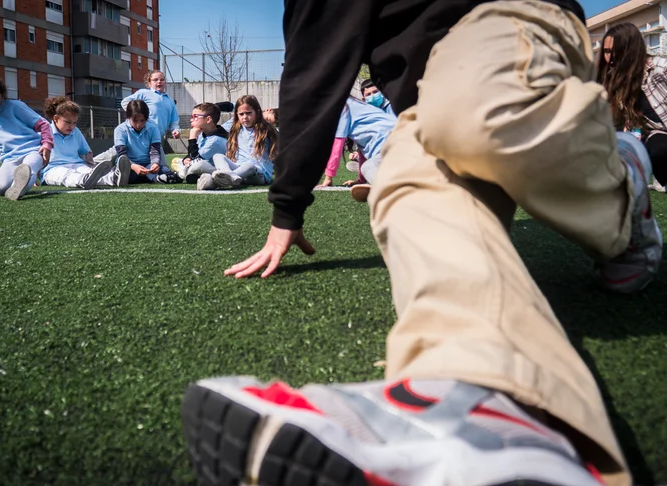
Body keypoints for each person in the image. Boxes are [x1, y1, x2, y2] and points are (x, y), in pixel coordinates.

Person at [182, 1, 663, 485]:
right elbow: (317, 58)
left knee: (470, 101)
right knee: (401, 179)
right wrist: (287, 208)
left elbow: (315, 73)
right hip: (427, 104)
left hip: (518, 17)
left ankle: (620, 184)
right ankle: (488, 404)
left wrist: (288, 202)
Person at [597, 22, 667, 194]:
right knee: (658, 148)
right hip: (656, 134)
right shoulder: (616, 82)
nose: (610, 57)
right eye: (607, 51)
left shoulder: (660, 68)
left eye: (616, 50)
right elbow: (628, 124)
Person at [0, 73, 52, 200]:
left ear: (2, 96)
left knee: (29, 167)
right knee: (1, 188)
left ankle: (24, 182)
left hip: (33, 151)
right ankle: (20, 183)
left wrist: (47, 145)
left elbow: (43, 124)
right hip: (10, 159)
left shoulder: (15, 106)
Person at [94, 70, 180, 176]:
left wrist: (175, 130)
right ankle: (92, 163)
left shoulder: (170, 101)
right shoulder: (143, 93)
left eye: (162, 79)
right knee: (116, 153)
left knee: (161, 167)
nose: (159, 82)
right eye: (155, 80)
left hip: (153, 139)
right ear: (149, 83)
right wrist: (135, 116)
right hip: (134, 134)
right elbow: (125, 102)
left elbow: (174, 120)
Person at [317, 97, 396, 199]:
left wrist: (328, 177)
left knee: (368, 167)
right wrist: (361, 180)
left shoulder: (342, 108)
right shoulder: (357, 106)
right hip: (406, 140)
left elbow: (337, 146)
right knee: (371, 165)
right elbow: (362, 151)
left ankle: (387, 188)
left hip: (393, 144)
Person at [40, 96, 126, 189]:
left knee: (86, 171)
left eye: (74, 122)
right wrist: (31, 178)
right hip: (52, 169)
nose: (71, 126)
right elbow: (34, 155)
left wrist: (91, 167)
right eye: (68, 122)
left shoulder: (75, 131)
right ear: (56, 119)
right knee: (65, 174)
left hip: (77, 164)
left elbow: (86, 152)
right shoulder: (45, 132)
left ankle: (113, 178)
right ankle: (83, 180)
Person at [197, 95, 278, 190]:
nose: (245, 117)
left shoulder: (267, 129)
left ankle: (215, 181)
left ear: (257, 112)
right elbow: (214, 129)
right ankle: (228, 176)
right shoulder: (235, 128)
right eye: (241, 114)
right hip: (239, 169)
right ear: (237, 115)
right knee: (218, 156)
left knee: (250, 165)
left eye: (249, 113)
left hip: (258, 173)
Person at [114, 99, 173, 184]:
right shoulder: (120, 130)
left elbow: (155, 151)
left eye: (142, 121)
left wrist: (155, 164)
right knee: (129, 176)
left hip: (147, 165)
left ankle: (153, 176)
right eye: (135, 121)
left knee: (165, 171)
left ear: (147, 118)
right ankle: (154, 178)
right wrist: (133, 166)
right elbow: (122, 154)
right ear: (128, 117)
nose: (139, 125)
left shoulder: (153, 129)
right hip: (128, 166)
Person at [171, 102, 228, 184]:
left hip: (214, 168)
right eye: (192, 117)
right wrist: (185, 160)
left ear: (208, 119)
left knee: (198, 165)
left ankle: (180, 175)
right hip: (198, 163)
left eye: (195, 117)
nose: (191, 119)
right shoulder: (202, 134)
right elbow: (192, 155)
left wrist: (192, 138)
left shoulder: (215, 140)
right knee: (176, 161)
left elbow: (196, 159)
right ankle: (194, 175)